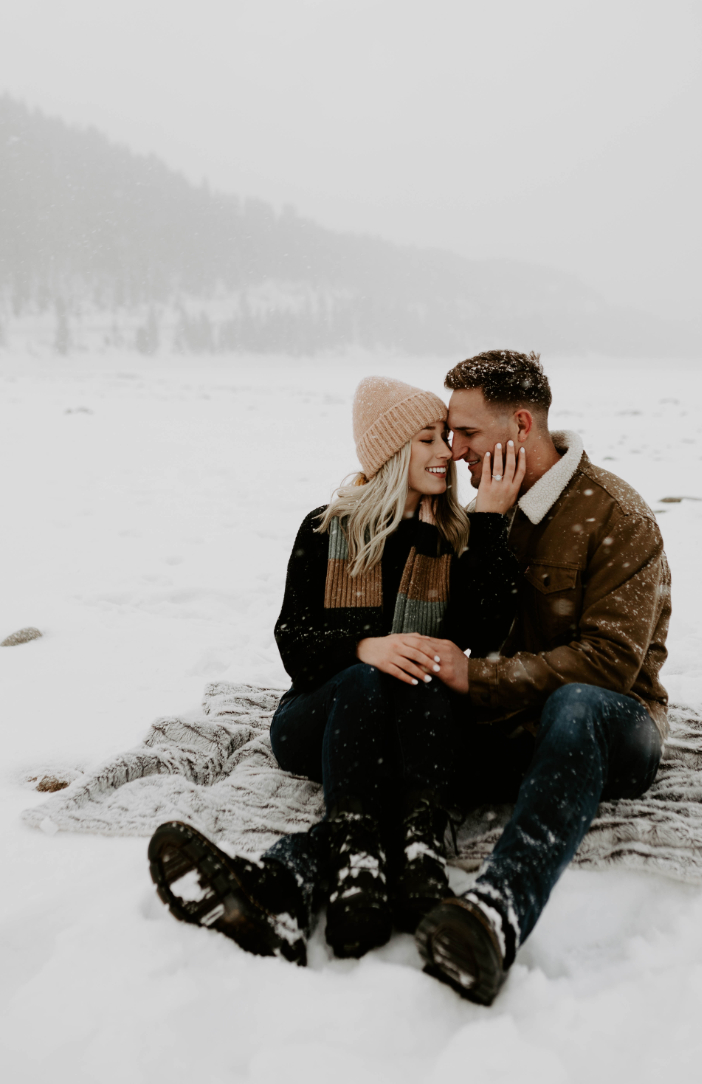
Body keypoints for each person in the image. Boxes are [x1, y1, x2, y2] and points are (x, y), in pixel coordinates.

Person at [148, 375, 524, 964]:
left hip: (413, 728)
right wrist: (362, 647)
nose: (447, 453)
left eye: (446, 439)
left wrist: (490, 521)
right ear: (392, 453)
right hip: (320, 718)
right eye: (429, 440)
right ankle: (355, 854)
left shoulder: (450, 538)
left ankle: (399, 858)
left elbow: (482, 631)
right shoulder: (326, 529)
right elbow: (293, 641)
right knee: (373, 676)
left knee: (421, 668)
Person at [413, 349, 671, 1005]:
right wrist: (488, 526)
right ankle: (343, 871)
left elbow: (611, 664)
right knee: (401, 701)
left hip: (611, 727)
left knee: (578, 703)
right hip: (509, 730)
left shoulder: (618, 516)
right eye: (450, 433)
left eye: (467, 432)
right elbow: (456, 631)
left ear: (521, 426)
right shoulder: (479, 512)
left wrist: (478, 677)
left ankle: (499, 909)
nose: (455, 448)